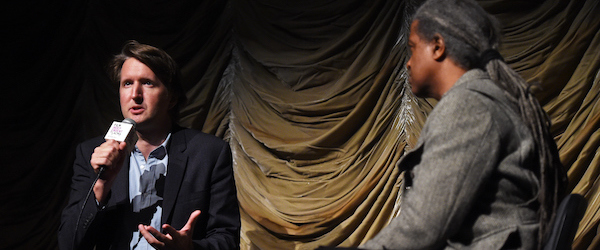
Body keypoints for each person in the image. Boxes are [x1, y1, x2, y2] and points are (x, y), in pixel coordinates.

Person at [360, 0, 567, 249]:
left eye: (413, 48)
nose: (408, 62)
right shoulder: (484, 99)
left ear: (437, 47)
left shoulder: (468, 106)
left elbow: (424, 226)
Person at [58, 40, 240, 250]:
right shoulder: (92, 154)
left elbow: (227, 239)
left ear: (171, 97)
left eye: (147, 83)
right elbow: (69, 243)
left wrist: (189, 248)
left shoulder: (209, 153)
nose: (135, 94)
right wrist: (102, 185)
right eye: (127, 83)